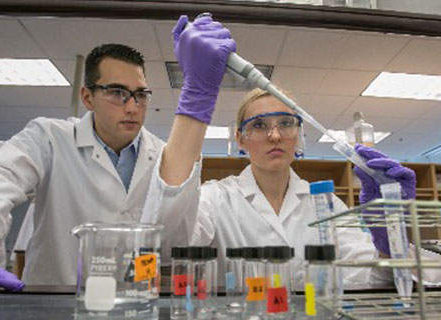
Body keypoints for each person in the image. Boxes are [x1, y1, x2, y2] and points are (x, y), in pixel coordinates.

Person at [141, 14, 417, 289]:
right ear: (241, 139)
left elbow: (368, 279)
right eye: (259, 125)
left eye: (285, 123)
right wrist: (196, 95)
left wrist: (389, 242)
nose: (274, 135)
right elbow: (165, 246)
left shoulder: (327, 203)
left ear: (298, 136)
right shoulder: (217, 198)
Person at [0, 43, 166, 308]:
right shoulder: (49, 138)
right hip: (53, 303)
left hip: (133, 305)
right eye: (117, 92)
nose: (132, 107)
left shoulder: (162, 154)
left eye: (141, 94)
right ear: (87, 97)